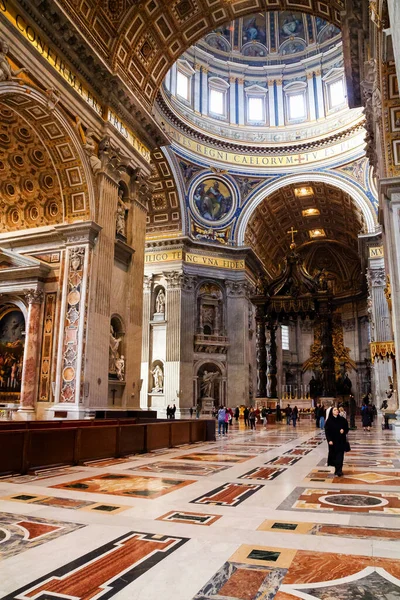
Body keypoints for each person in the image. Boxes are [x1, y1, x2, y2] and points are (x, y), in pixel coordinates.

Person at [325, 406, 349, 477]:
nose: (337, 411)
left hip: (341, 440)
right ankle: (337, 469)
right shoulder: (329, 421)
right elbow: (327, 431)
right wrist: (329, 440)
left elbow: (346, 428)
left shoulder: (342, 420)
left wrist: (344, 430)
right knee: (334, 456)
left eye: (337, 410)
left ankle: (339, 470)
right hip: (333, 441)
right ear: (332, 412)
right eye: (335, 410)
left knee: (340, 456)